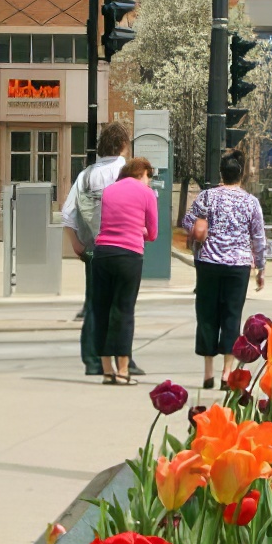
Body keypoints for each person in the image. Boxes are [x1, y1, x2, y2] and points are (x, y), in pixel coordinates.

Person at [61, 121, 144, 376]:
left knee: (96, 304)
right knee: (122, 307)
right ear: (123, 145)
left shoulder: (86, 175)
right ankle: (123, 361)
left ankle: (93, 359)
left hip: (95, 250)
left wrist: (77, 244)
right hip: (126, 248)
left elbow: (68, 213)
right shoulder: (128, 173)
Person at [183, 150, 266, 390]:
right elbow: (258, 237)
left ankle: (208, 373)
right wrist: (260, 268)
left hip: (208, 263)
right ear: (240, 175)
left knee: (207, 315)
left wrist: (201, 227)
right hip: (238, 266)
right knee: (231, 317)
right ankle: (226, 374)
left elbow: (188, 221)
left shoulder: (207, 197)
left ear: (221, 173)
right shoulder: (250, 202)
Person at [92, 159, 158, 385]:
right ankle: (122, 371)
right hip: (128, 255)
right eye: (149, 177)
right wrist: (140, 230)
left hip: (102, 253)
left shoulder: (108, 191)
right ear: (143, 173)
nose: (149, 181)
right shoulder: (146, 193)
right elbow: (153, 233)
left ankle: (106, 370)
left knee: (101, 310)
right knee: (123, 311)